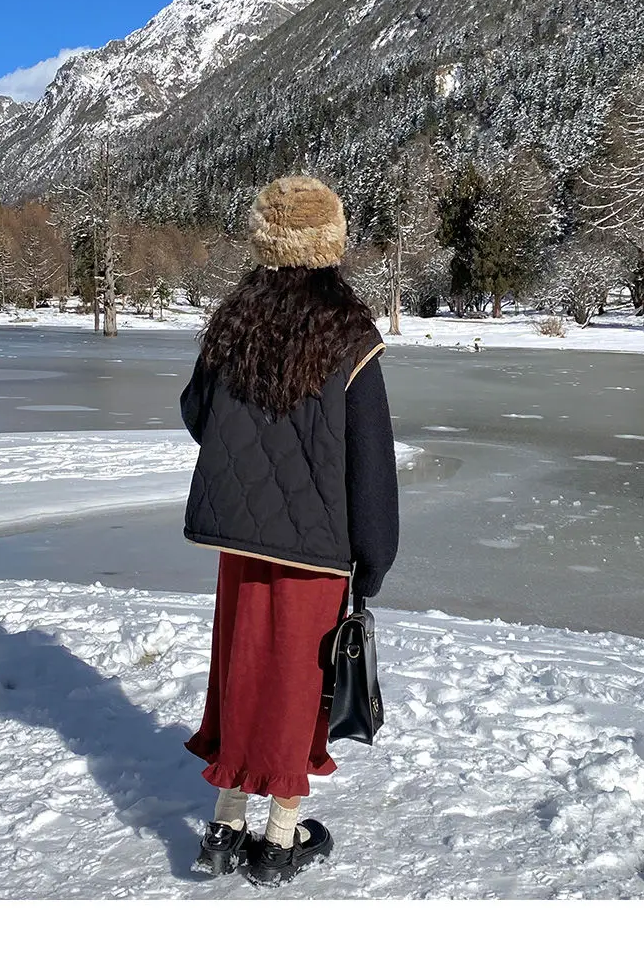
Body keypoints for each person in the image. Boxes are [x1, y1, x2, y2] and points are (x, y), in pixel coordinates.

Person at [179, 175, 399, 886]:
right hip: (316, 546)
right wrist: (374, 557)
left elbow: (196, 412)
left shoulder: (235, 321)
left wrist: (250, 457)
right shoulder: (349, 332)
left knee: (241, 672)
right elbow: (371, 461)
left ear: (266, 240)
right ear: (330, 242)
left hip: (240, 537)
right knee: (297, 686)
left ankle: (223, 826)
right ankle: (279, 839)